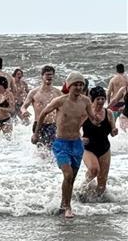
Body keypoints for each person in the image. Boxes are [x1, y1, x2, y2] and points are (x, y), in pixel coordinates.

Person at [33, 71, 96, 218]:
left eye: (81, 84)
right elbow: (42, 114)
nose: (79, 87)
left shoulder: (86, 101)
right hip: (61, 144)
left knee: (71, 178)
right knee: (67, 174)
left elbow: (92, 118)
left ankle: (63, 204)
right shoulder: (60, 101)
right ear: (69, 85)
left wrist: (101, 122)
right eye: (76, 84)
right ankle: (68, 207)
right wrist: (36, 133)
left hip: (77, 144)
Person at [81, 86, 117, 195]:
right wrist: (80, 138)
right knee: (94, 170)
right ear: (93, 99)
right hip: (88, 148)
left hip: (104, 148)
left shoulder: (109, 113)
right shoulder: (85, 112)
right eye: (98, 99)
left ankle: (97, 203)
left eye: (103, 98)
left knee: (102, 183)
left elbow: (112, 131)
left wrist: (114, 131)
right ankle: (82, 189)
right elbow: (74, 129)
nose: (101, 101)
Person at [21, 65, 63, 148]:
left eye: (51, 75)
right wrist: (24, 111)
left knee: (52, 150)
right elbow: (23, 107)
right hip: (38, 125)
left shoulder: (57, 92)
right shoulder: (34, 92)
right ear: (42, 76)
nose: (49, 77)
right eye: (47, 74)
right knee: (40, 151)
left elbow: (64, 108)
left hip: (53, 125)